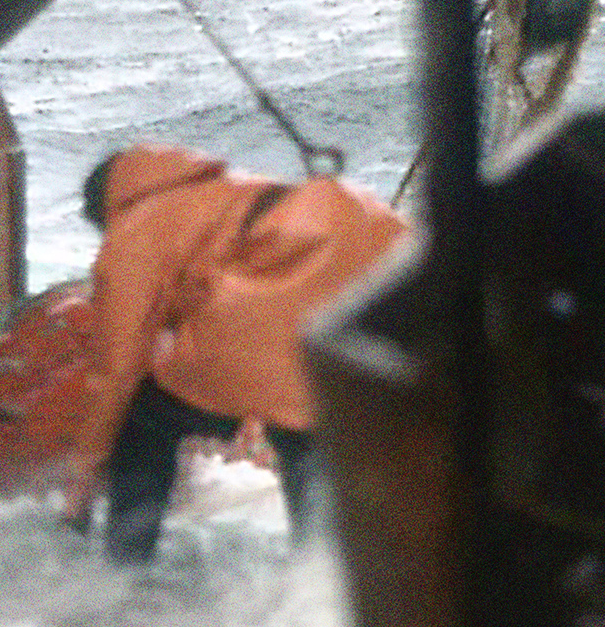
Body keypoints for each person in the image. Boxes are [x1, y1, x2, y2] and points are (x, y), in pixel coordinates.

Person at [61, 143, 409, 563]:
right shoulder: (223, 189)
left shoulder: (138, 225)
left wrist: (81, 481)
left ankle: (125, 561)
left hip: (295, 296)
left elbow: (118, 365)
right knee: (306, 428)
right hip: (385, 261)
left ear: (106, 209)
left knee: (145, 418)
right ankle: (322, 584)